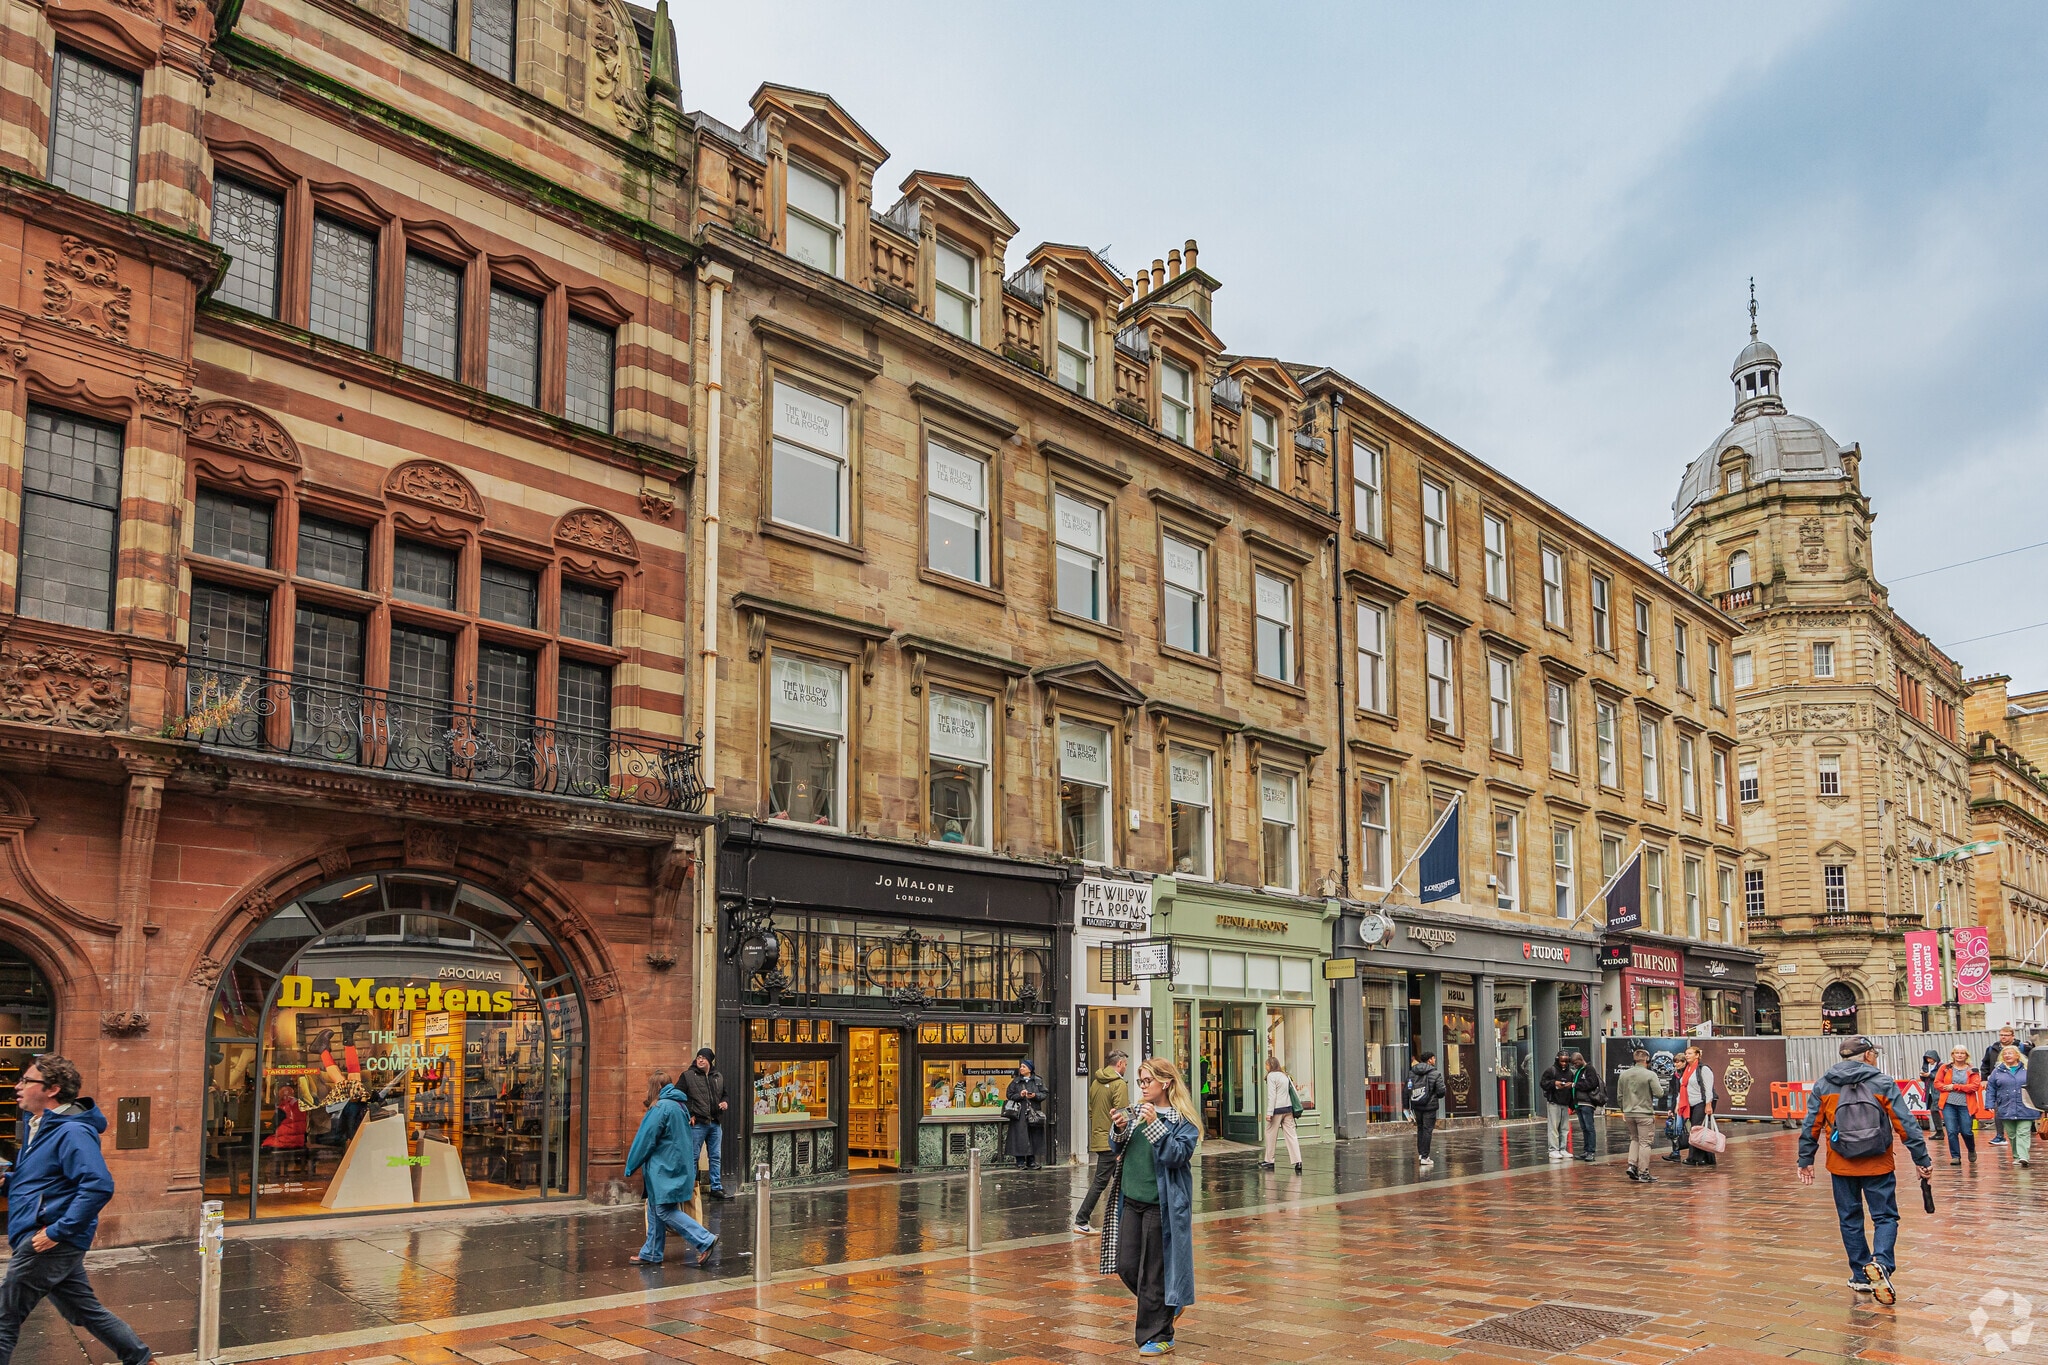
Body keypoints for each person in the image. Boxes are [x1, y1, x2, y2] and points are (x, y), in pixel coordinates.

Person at [0, 1054, 152, 1365]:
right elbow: (45, 1180)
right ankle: (141, 1360)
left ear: (52, 1089)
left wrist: (57, 1232)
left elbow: (98, 1186)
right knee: (85, 1311)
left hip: (47, 1240)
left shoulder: (72, 1131)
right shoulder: (41, 1126)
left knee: (4, 1319)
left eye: (27, 1081)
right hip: (47, 1236)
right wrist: (7, 1181)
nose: (18, 1086)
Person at [1797, 1034, 1932, 1305]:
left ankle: (1860, 1275)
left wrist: (1805, 1160)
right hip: (1878, 1162)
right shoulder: (1882, 1082)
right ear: (1868, 1055)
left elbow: (1811, 1123)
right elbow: (1904, 1123)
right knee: (1885, 1217)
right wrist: (1921, 1158)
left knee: (1850, 1219)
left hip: (1841, 1162)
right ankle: (1881, 1262)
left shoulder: (1824, 1084)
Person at [1101, 1057, 1201, 1357]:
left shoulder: (1183, 1120)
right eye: (1140, 1081)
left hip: (1162, 1206)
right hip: (1130, 1201)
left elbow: (1177, 1155)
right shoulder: (1135, 1112)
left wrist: (1155, 1124)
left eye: (1147, 1081)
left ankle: (1159, 1334)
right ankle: (1170, 1303)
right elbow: (1118, 1147)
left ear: (1165, 1082)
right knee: (1126, 1265)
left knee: (1152, 1274)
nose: (1142, 1086)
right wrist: (1118, 1128)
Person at [625, 1070, 716, 1268]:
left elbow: (645, 1139)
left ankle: (704, 1239)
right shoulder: (679, 1105)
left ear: (655, 1088)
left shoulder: (660, 1107)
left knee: (664, 1210)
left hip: (663, 1168)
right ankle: (651, 1252)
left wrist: (631, 1165)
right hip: (675, 1165)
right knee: (655, 1208)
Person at [1074, 1051, 1128, 1234]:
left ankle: (1125, 1220)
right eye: (1125, 1065)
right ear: (1120, 1064)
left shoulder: (1095, 1083)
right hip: (1113, 1140)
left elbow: (1091, 1111)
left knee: (1122, 1180)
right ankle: (1081, 1219)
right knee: (1100, 1182)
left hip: (1099, 1137)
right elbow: (1122, 1115)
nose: (1126, 1068)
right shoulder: (1119, 1084)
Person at [678, 1047, 728, 1200]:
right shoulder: (687, 1076)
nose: (700, 1060)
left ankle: (716, 1188)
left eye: (703, 1058)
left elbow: (724, 1093)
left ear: (709, 1061)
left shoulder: (717, 1076)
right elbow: (679, 1096)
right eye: (698, 1057)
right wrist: (690, 1113)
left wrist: (724, 1102)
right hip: (697, 1123)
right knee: (693, 1156)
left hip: (715, 1123)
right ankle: (691, 1189)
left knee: (715, 1156)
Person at [1616, 1048, 1668, 1184]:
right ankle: (1643, 1172)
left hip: (1629, 1113)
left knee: (1634, 1139)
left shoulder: (1624, 1075)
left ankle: (1632, 1165)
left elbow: (1619, 1096)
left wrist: (1624, 1110)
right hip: (1644, 1113)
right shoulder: (1650, 1075)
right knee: (1645, 1143)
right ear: (1647, 1060)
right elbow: (1659, 1093)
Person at [1985, 1045, 2040, 1168]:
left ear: (2017, 1055)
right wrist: (1989, 1103)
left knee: (2023, 1132)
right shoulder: (1997, 1071)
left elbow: (2037, 1085)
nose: (2007, 1055)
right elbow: (1991, 1088)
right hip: (2006, 1106)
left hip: (2026, 1107)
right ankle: (2016, 1156)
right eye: (2005, 1054)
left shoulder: (2028, 1069)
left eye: (2010, 1053)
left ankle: (2023, 1156)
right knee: (2012, 1134)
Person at [1666, 1046, 1717, 1166]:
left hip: (1702, 1102)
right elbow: (1683, 1088)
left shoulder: (1703, 1069)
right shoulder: (1687, 1070)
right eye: (1686, 1053)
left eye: (1689, 1053)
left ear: (1697, 1055)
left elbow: (1708, 1088)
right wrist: (1678, 1104)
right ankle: (1708, 1158)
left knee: (1695, 1129)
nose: (1687, 1055)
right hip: (1689, 1103)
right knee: (1697, 1130)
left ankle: (1694, 1157)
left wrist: (1708, 1104)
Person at [1932, 1045, 1983, 1166]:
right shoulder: (1945, 1068)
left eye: (1962, 1053)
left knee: (1966, 1131)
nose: (1959, 1055)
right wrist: (1946, 1087)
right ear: (1953, 1055)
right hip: (1948, 1104)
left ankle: (1971, 1149)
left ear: (1966, 1055)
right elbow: (1937, 1083)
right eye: (1957, 1053)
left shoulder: (1972, 1070)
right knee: (1951, 1131)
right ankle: (1955, 1156)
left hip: (1966, 1105)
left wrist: (1955, 1087)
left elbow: (1975, 1087)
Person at [1981, 1027, 2033, 1144]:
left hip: (2020, 1084)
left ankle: (2026, 1129)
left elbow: (2033, 1060)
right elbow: (1985, 1064)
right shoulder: (1992, 1049)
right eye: (2001, 1035)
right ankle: (2000, 1135)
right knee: (1999, 1109)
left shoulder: (2022, 1048)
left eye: (2006, 1035)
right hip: (2001, 1083)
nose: (2003, 1037)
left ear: (2012, 1036)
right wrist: (1984, 1079)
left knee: (2023, 1108)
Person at [1261, 1054, 1302, 1175]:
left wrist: (1269, 1113)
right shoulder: (1285, 1075)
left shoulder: (1271, 1076)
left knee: (1270, 1134)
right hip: (1288, 1109)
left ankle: (1269, 1160)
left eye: (1266, 1065)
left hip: (1277, 1110)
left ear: (1270, 1065)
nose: (1265, 1067)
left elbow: (1272, 1096)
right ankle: (1298, 1161)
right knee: (1291, 1136)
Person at [1005, 1059, 1049, 1169]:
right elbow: (1009, 1095)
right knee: (1019, 1137)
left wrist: (1034, 1095)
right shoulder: (1015, 1082)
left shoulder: (1038, 1081)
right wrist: (1020, 1095)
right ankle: (1020, 1161)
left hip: (1033, 1113)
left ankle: (1031, 1161)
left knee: (1033, 1136)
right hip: (1018, 1114)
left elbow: (1044, 1093)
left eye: (1024, 1067)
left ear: (1030, 1069)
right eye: (1021, 1067)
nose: (1021, 1068)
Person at [1408, 1051, 1446, 1168]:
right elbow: (1441, 1091)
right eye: (1434, 1058)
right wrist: (1434, 1096)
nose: (1435, 1060)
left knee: (1420, 1129)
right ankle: (1425, 1157)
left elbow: (1408, 1088)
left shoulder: (1412, 1072)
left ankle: (1421, 1154)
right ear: (1429, 1060)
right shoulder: (1435, 1073)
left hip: (1417, 1104)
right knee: (1428, 1130)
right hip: (1430, 1106)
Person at [1538, 1051, 1577, 1161]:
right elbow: (1543, 1083)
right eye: (1562, 1061)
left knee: (1564, 1128)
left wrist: (1572, 1105)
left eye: (1566, 1061)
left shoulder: (1570, 1073)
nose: (1564, 1063)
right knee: (1554, 1127)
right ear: (1557, 1060)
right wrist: (1554, 1083)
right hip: (1554, 1102)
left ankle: (1562, 1148)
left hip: (1565, 1103)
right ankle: (1553, 1149)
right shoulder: (1551, 1070)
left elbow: (1572, 1090)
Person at [1569, 1052, 1604, 1162]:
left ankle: (1591, 1152)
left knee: (1589, 1128)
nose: (1574, 1065)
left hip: (1587, 1102)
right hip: (1579, 1103)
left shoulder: (1589, 1069)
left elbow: (1592, 1084)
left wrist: (1575, 1085)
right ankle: (1586, 1150)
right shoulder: (1579, 1071)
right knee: (1584, 1128)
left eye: (1575, 1063)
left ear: (1580, 1059)